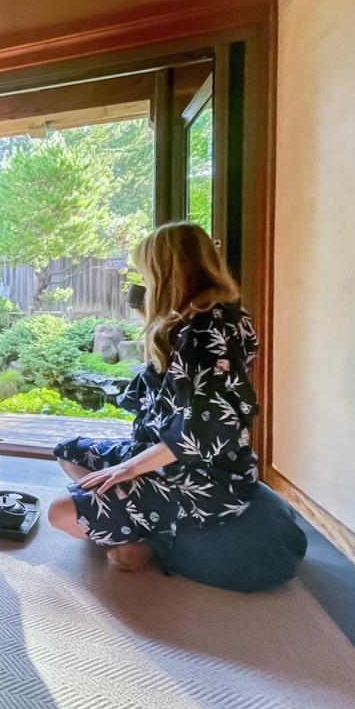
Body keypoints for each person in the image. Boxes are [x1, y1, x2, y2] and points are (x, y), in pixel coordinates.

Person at [47, 222, 260, 570]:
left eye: (146, 273)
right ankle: (138, 526)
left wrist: (128, 469)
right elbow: (158, 395)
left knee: (60, 513)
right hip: (157, 453)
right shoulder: (195, 321)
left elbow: (201, 433)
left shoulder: (206, 332)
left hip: (204, 478)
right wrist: (153, 325)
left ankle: (157, 544)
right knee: (68, 452)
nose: (143, 282)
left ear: (166, 272)